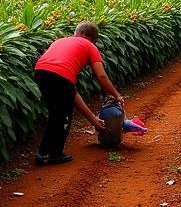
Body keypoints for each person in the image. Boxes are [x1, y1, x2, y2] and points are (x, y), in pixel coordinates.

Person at [33, 21, 125, 165]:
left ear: (78, 32)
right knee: (64, 115)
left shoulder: (60, 40)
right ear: (90, 38)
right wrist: (116, 95)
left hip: (40, 71)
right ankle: (55, 154)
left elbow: (72, 94)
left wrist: (92, 119)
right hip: (61, 76)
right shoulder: (89, 45)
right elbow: (101, 76)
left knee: (55, 113)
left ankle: (42, 153)